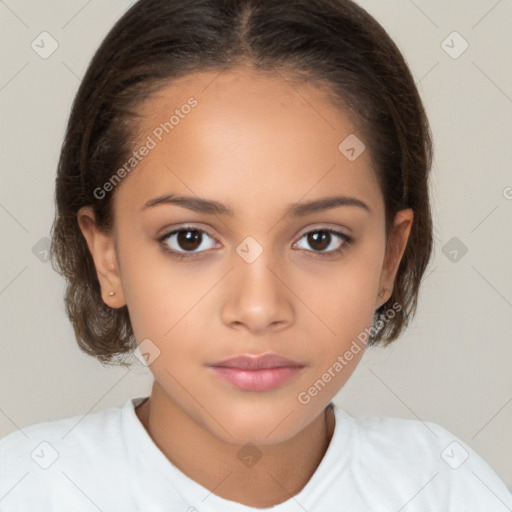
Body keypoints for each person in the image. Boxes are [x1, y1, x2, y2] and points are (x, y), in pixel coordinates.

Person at [1, 0, 511, 510]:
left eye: (320, 239)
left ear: (388, 258)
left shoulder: (449, 489)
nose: (259, 308)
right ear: (107, 257)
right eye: (189, 239)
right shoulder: (25, 489)